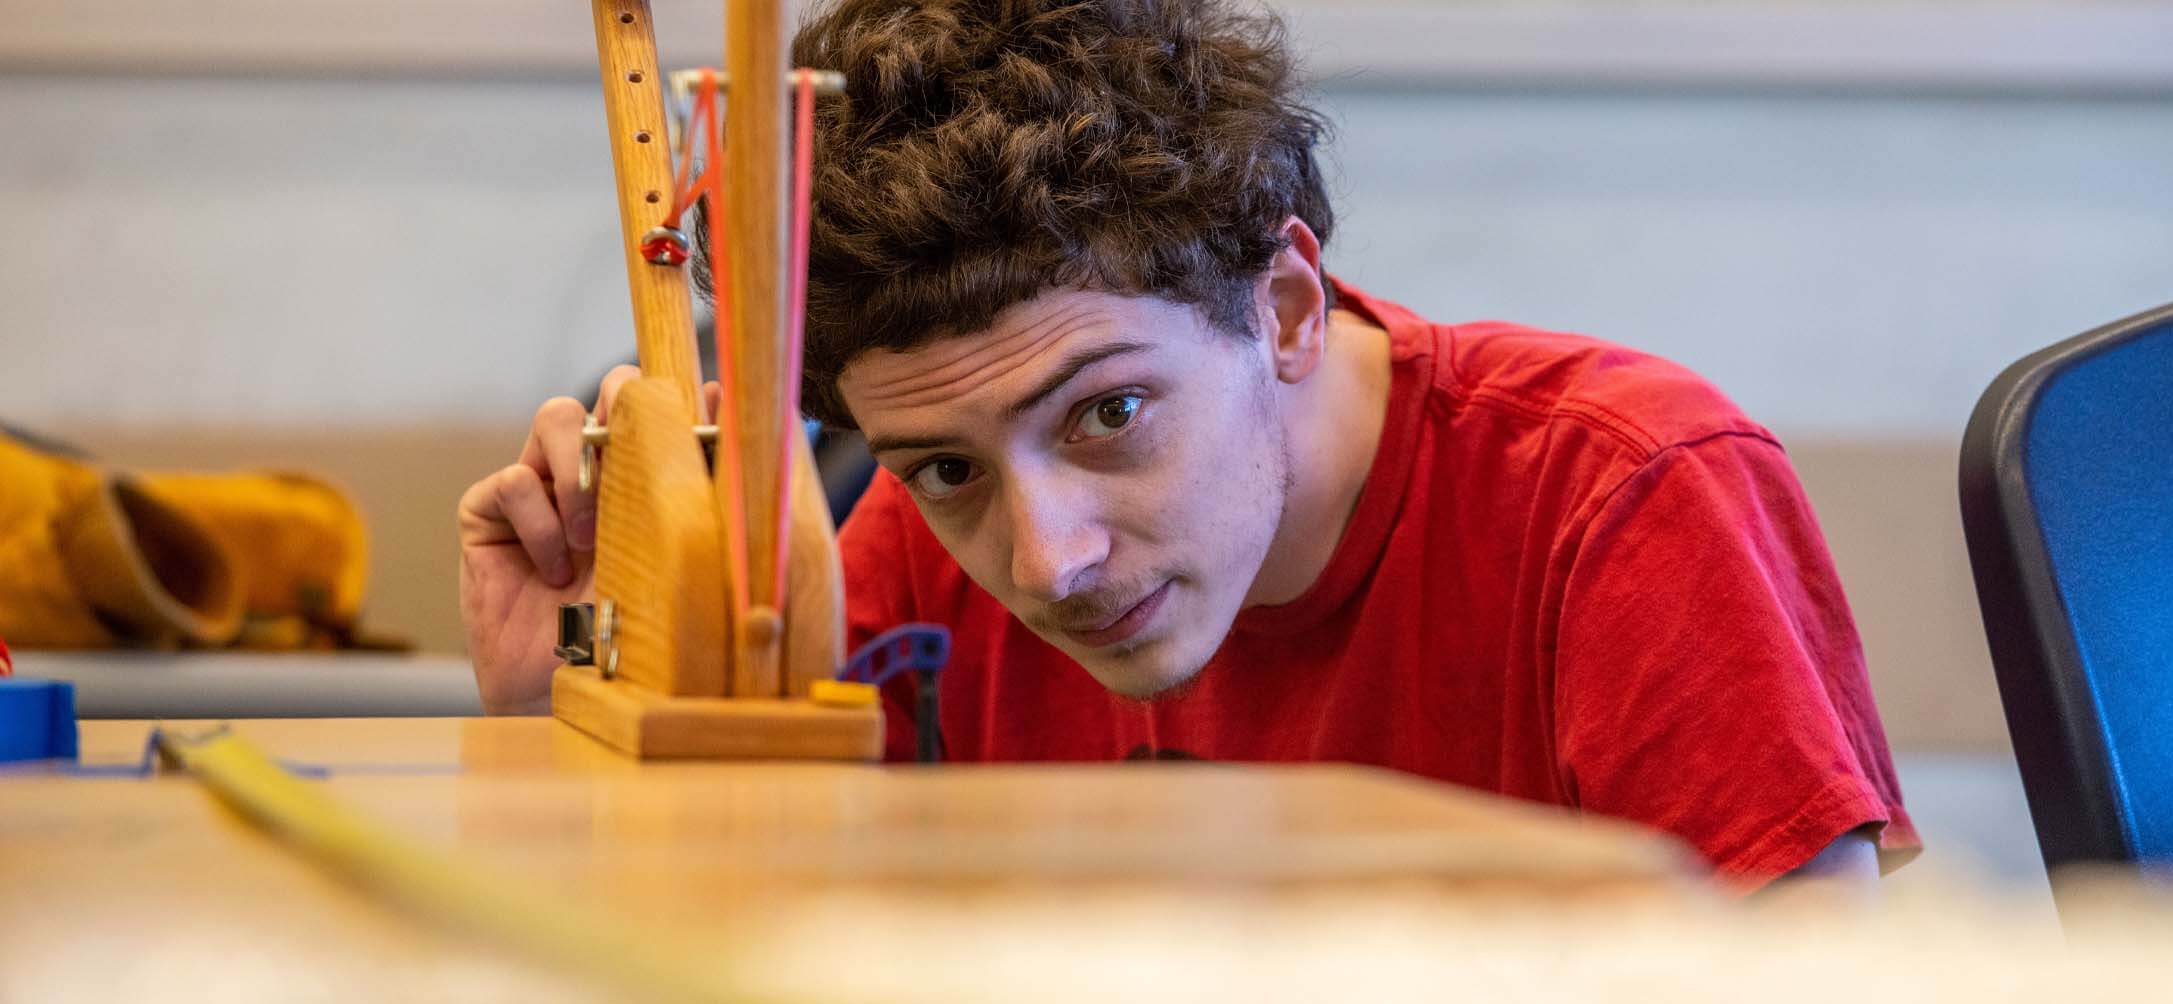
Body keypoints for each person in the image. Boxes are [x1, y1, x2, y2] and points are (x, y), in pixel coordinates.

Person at [460, 0, 1915, 892]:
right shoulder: (911, 540)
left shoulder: (1622, 497)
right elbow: (743, 941)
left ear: (1283, 306)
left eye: (1108, 416)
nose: (1048, 560)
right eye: (948, 467)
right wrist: (564, 721)